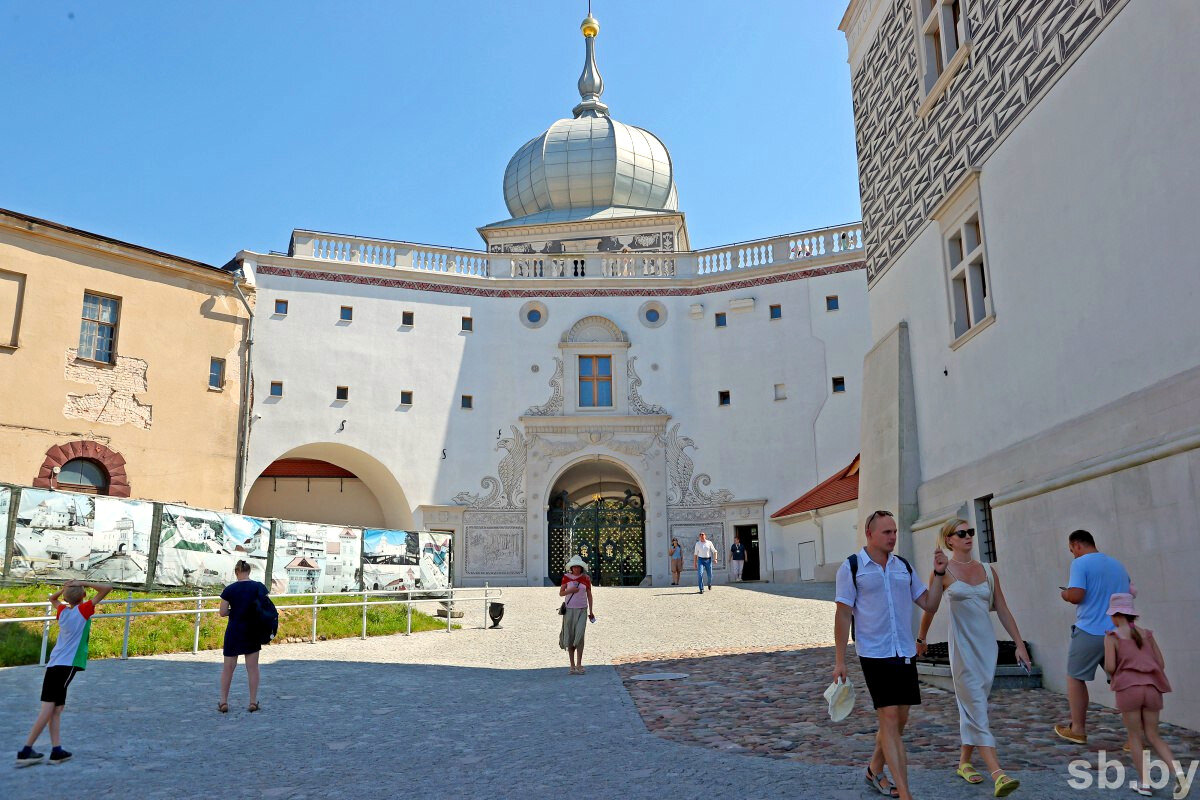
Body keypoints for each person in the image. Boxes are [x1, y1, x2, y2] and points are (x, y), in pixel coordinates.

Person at [833, 510, 946, 800]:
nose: (893, 537)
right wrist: (840, 660)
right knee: (890, 716)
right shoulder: (852, 567)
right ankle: (906, 793)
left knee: (899, 720)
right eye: (887, 532)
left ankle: (874, 769)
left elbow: (929, 603)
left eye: (894, 531)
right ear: (869, 535)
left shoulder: (903, 567)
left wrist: (939, 575)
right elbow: (843, 614)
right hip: (874, 653)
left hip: (904, 652)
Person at [917, 519, 1028, 797]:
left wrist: (1018, 643)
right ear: (949, 540)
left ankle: (964, 762)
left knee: (974, 704)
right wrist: (921, 637)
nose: (968, 537)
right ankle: (998, 773)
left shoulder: (988, 571)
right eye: (962, 533)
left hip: (986, 649)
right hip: (962, 649)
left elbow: (1002, 608)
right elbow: (929, 608)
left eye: (971, 532)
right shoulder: (943, 571)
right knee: (976, 705)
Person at [17, 579, 112, 766]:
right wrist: (80, 582)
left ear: (67, 597)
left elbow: (51, 598)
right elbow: (107, 589)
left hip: (54, 664)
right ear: (84, 595)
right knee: (48, 709)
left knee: (57, 709)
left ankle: (56, 750)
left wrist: (64, 590)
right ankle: (26, 750)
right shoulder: (83, 611)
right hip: (66, 665)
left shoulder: (62, 611)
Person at [1102, 593, 1186, 798]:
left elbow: (1111, 666)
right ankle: (1179, 774)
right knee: (1153, 735)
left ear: (1115, 615)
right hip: (1152, 688)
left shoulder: (1112, 636)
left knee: (1135, 737)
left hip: (1128, 689)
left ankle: (1145, 783)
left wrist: (1114, 672)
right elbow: (1160, 663)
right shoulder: (1147, 634)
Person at [1056, 530, 1132, 745]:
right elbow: (1129, 591)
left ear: (1077, 545)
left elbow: (1077, 595)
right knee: (1123, 682)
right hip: (1119, 631)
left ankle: (1078, 729)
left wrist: (1065, 594)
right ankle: (1136, 735)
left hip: (1090, 629)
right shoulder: (1117, 564)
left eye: (1072, 551)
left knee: (1075, 677)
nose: (1073, 555)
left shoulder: (1080, 563)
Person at [218, 559, 268, 713]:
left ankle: (224, 702)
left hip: (234, 630)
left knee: (228, 668)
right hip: (252, 631)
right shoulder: (258, 587)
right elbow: (265, 607)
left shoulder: (229, 590)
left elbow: (222, 612)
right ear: (249, 571)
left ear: (237, 572)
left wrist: (235, 610)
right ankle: (253, 702)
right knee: (252, 668)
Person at [559, 555, 595, 674]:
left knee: (579, 636)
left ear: (581, 567)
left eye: (578, 567)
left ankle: (579, 664)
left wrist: (591, 611)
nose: (576, 569)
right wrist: (570, 591)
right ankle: (572, 665)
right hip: (569, 610)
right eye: (574, 567)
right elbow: (561, 593)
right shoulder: (566, 577)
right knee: (570, 636)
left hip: (582, 610)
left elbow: (589, 594)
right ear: (571, 567)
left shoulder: (586, 578)